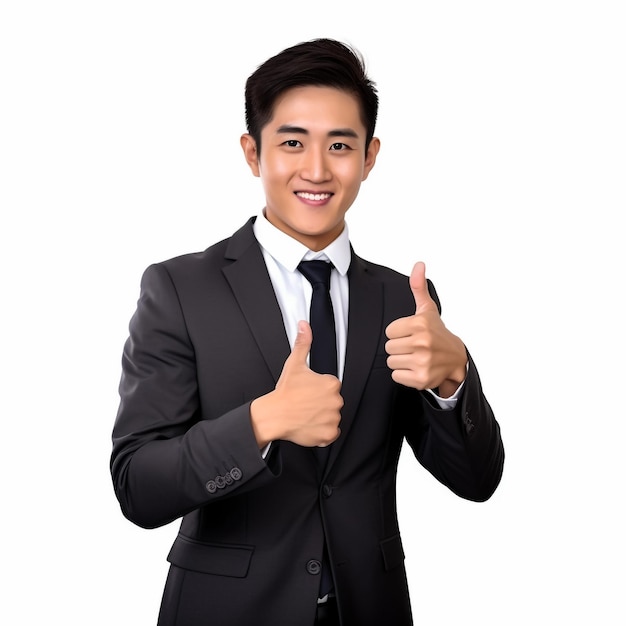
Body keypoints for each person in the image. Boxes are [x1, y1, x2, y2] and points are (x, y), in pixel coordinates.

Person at [110, 38, 504, 626]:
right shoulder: (180, 289)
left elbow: (478, 482)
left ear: (369, 157)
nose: (317, 170)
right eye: (292, 142)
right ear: (253, 153)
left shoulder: (404, 299)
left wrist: (454, 378)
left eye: (340, 146)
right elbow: (138, 487)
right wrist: (262, 422)